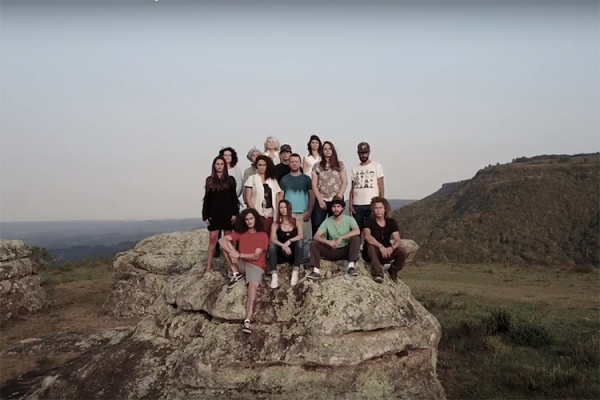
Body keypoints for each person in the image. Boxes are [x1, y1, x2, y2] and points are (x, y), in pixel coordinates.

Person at [218, 209, 269, 334]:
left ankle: (247, 320)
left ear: (255, 219)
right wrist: (233, 252)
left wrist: (238, 255)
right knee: (223, 245)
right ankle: (235, 273)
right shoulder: (241, 233)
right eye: (246, 219)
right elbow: (222, 240)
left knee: (252, 289)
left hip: (256, 266)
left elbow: (256, 256)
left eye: (251, 218)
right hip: (242, 263)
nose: (249, 221)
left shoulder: (262, 235)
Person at [202, 156, 239, 273]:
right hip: (213, 214)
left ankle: (230, 268)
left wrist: (235, 213)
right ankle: (208, 268)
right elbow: (206, 199)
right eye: (217, 164)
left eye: (221, 164)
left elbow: (234, 198)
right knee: (212, 240)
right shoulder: (209, 180)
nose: (219, 166)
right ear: (214, 166)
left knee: (227, 241)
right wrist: (205, 215)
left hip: (228, 213)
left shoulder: (230, 180)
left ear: (225, 166)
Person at [308, 197, 360, 280]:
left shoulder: (349, 219)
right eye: (334, 206)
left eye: (338, 206)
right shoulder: (327, 221)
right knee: (314, 243)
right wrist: (327, 241)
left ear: (343, 208)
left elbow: (357, 231)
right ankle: (316, 271)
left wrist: (342, 237)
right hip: (332, 250)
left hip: (346, 250)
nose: (336, 209)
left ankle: (351, 267)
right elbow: (316, 236)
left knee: (356, 238)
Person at [362, 196, 407, 283]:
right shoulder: (368, 221)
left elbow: (397, 240)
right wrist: (380, 246)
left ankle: (393, 270)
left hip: (386, 252)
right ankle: (378, 273)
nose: (378, 210)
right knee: (370, 246)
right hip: (371, 253)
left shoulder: (391, 222)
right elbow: (367, 236)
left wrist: (391, 248)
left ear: (385, 209)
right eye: (376, 208)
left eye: (380, 208)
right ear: (373, 209)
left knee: (402, 251)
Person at [311, 141, 347, 236]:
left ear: (333, 150)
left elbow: (344, 182)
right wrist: (320, 200)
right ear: (322, 151)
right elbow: (314, 184)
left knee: (334, 225)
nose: (327, 151)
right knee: (317, 223)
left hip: (336, 199)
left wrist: (339, 196)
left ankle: (334, 244)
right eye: (325, 149)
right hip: (321, 199)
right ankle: (318, 243)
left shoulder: (340, 165)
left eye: (329, 149)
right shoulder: (317, 166)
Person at [349, 142, 385, 232]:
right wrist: (350, 204)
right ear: (358, 153)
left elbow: (381, 186)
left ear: (369, 153)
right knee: (357, 229)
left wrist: (381, 202)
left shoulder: (376, 166)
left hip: (372, 203)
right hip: (357, 204)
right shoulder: (354, 168)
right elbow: (352, 188)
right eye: (361, 153)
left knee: (372, 229)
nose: (364, 155)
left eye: (365, 153)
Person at [268, 200, 304, 288]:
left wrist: (289, 241)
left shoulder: (297, 222)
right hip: (282, 253)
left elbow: (301, 236)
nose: (283, 209)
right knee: (272, 246)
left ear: (289, 208)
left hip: (293, 253)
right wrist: (283, 245)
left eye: (285, 207)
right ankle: (274, 275)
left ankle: (295, 271)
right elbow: (272, 238)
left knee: (300, 243)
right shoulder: (276, 224)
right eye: (281, 207)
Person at [245, 155, 283, 236]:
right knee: (257, 235)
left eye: (264, 165)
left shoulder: (272, 180)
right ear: (256, 166)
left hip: (270, 212)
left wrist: (278, 213)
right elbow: (248, 198)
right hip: (257, 212)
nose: (262, 167)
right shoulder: (252, 178)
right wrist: (255, 213)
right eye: (260, 165)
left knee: (269, 235)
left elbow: (277, 196)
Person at [279, 153, 314, 241]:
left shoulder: (307, 179)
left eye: (296, 162)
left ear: (300, 163)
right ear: (289, 164)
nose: (294, 164)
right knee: (290, 238)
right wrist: (281, 213)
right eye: (292, 162)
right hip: (289, 213)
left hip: (304, 213)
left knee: (306, 239)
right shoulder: (284, 179)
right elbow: (280, 197)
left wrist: (309, 212)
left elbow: (312, 196)